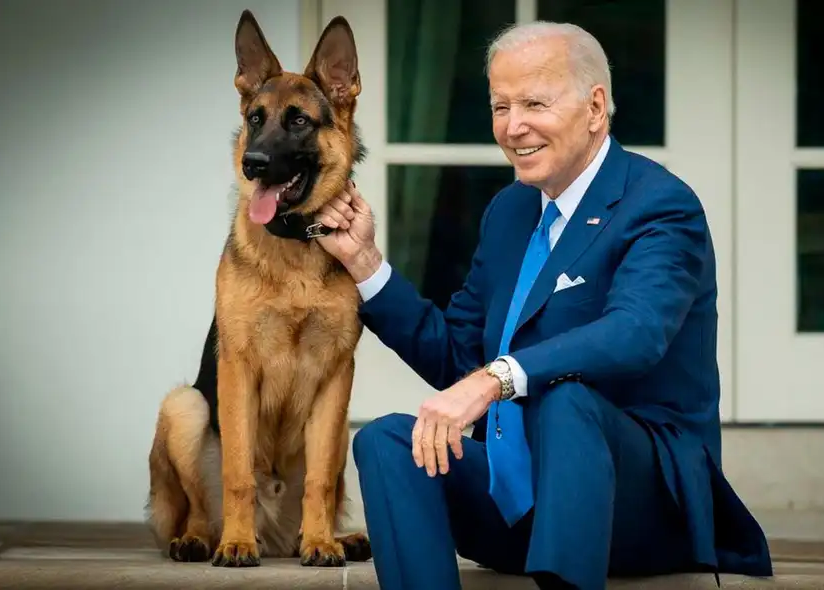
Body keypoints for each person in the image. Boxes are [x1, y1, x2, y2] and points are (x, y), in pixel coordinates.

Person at [312, 21, 773, 590]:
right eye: (500, 106)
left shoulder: (660, 205)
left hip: (642, 510)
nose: (512, 126)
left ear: (595, 107)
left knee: (566, 401)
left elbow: (635, 332)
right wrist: (364, 264)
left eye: (534, 103)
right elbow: (460, 355)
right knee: (386, 441)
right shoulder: (509, 211)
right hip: (521, 504)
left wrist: (496, 379)